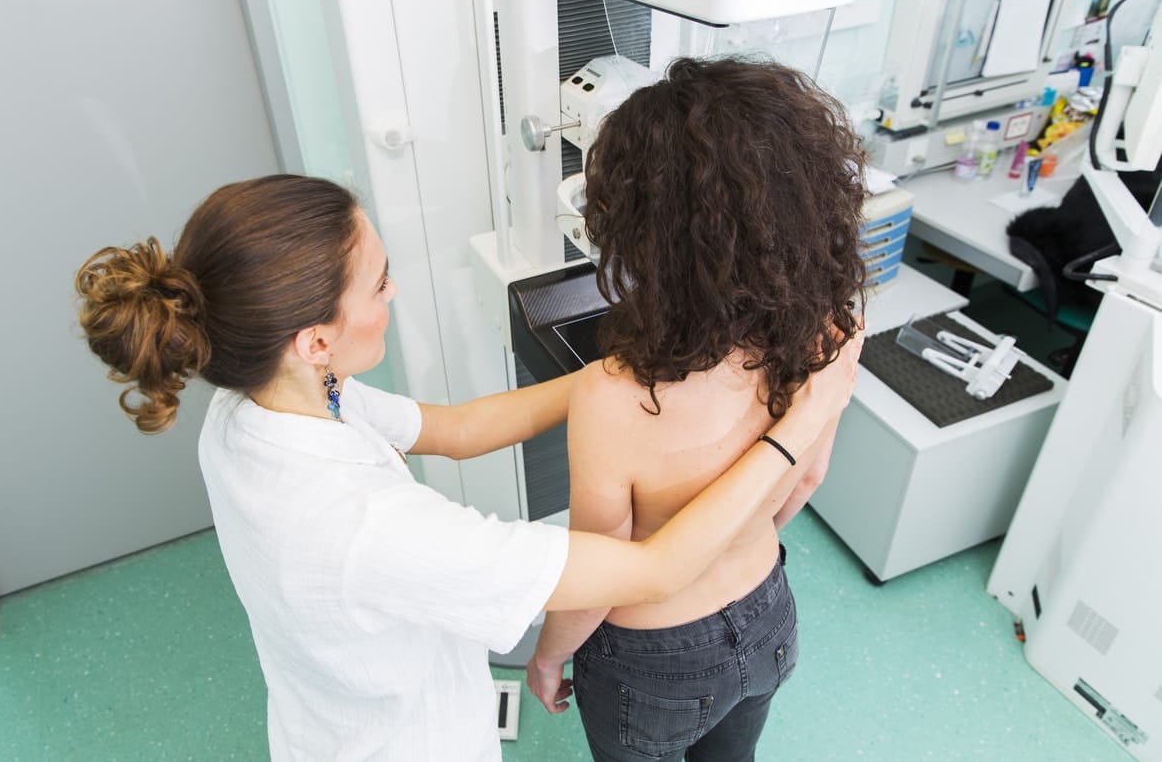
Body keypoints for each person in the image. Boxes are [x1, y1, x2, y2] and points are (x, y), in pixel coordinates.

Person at [74, 173, 861, 761]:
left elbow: (454, 429)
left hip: (323, 718)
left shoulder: (252, 407)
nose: (394, 291)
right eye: (380, 284)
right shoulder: (367, 529)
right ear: (314, 340)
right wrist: (806, 422)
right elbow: (654, 569)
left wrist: (612, 377)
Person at [526, 57, 868, 762]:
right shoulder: (831, 329)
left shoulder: (614, 397)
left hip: (651, 661)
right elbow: (804, 479)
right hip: (769, 613)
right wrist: (738, 546)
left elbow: (601, 574)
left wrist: (547, 655)